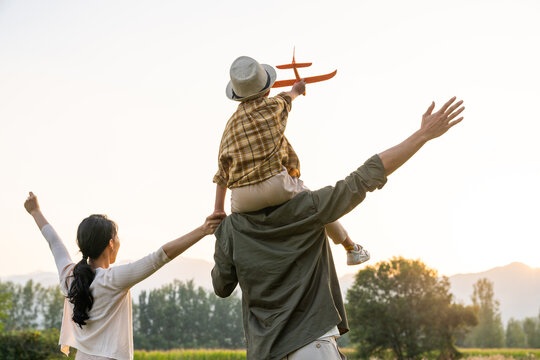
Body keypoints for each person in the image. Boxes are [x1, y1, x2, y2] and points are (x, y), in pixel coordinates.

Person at [212, 97, 465, 360]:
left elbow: (221, 287)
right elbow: (365, 176)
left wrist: (220, 236)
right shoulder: (308, 207)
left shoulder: (230, 230)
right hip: (312, 346)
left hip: (264, 352)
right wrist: (422, 135)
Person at [24, 193, 225, 360]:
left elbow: (54, 243)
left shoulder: (70, 276)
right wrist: (203, 230)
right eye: (117, 236)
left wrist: (35, 212)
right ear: (111, 243)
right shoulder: (112, 280)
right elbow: (160, 257)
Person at [213, 55, 369, 266]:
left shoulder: (230, 125)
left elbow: (223, 172)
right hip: (277, 186)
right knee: (317, 205)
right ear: (267, 90)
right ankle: (352, 248)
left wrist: (218, 209)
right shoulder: (274, 106)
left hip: (241, 199)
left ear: (237, 96)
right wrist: (299, 87)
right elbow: (291, 94)